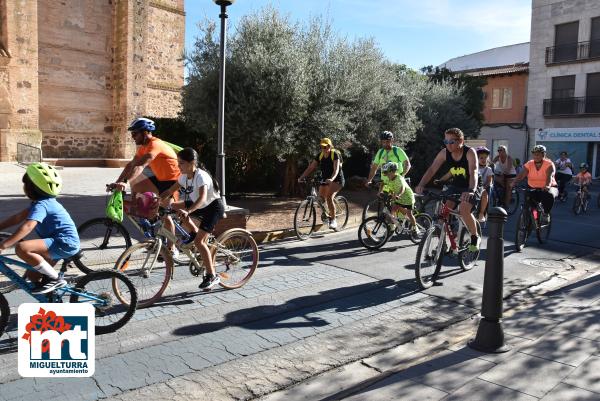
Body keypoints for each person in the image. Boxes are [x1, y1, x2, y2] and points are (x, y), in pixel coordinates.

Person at [0, 163, 79, 294]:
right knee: (33, 276)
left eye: (25, 185)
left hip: (64, 242)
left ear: (31, 189)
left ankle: (55, 279)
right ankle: (51, 297)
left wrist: (3, 246)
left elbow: (28, 225)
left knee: (22, 248)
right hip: (59, 242)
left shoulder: (42, 205)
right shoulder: (41, 203)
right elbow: (17, 218)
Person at [108, 117, 181, 257]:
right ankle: (143, 214)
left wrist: (124, 181)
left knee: (166, 216)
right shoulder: (143, 147)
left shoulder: (155, 145)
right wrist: (118, 182)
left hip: (172, 182)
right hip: (159, 179)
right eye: (132, 134)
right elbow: (131, 165)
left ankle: (172, 249)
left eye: (135, 134)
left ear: (146, 132)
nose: (132, 137)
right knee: (134, 181)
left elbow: (141, 166)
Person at [160, 148, 225, 290]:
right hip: (199, 205)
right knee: (172, 205)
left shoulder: (201, 176)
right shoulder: (183, 177)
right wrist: (158, 200)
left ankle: (212, 275)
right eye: (178, 163)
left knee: (199, 241)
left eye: (181, 163)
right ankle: (194, 231)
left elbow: (202, 198)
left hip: (212, 207)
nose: (178, 166)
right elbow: (170, 191)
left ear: (192, 163)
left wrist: (188, 211)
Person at [415, 128, 481, 251]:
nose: (448, 144)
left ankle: (474, 237)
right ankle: (442, 244)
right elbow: (432, 169)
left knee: (464, 209)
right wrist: (421, 184)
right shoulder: (444, 153)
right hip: (455, 185)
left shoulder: (469, 152)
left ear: (461, 140)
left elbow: (474, 172)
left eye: (452, 141)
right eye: (446, 141)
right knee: (442, 214)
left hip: (471, 185)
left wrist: (471, 190)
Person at [298, 138, 345, 229]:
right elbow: (311, 167)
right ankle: (327, 214)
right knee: (320, 198)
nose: (323, 148)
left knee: (329, 197)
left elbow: (336, 169)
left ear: (329, 146)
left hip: (337, 180)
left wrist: (332, 178)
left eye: (325, 146)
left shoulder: (334, 154)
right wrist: (301, 177)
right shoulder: (320, 155)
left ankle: (333, 220)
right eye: (321, 146)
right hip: (326, 179)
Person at [514, 145, 558, 224]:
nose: (536, 156)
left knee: (549, 195)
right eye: (534, 154)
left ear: (543, 155)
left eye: (538, 154)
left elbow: (549, 176)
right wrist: (514, 182)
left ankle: (545, 214)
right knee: (530, 206)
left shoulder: (549, 164)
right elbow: (522, 174)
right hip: (532, 187)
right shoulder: (529, 164)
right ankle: (533, 219)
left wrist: (547, 186)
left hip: (547, 187)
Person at [379, 162, 417, 233]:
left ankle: (415, 227)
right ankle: (393, 224)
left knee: (409, 213)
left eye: (387, 172)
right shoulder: (389, 179)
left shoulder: (399, 178)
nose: (386, 175)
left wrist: (398, 195)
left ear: (393, 171)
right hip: (398, 198)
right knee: (393, 209)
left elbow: (402, 188)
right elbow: (385, 185)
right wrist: (381, 192)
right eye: (385, 173)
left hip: (408, 198)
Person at [476, 146, 494, 223]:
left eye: (485, 158)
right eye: (481, 158)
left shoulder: (488, 169)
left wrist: (483, 187)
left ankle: (481, 213)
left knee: (484, 194)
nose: (484, 160)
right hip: (474, 186)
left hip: (483, 187)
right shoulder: (474, 168)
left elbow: (489, 181)